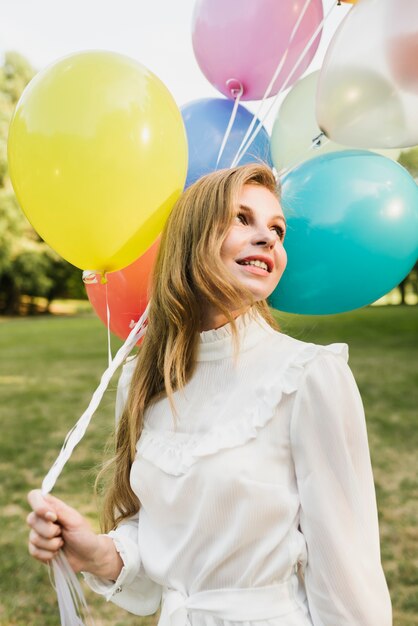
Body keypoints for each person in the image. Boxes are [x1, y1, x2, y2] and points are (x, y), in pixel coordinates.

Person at [27, 163, 392, 626]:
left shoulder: (309, 377)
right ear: (191, 236)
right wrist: (94, 551)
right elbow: (162, 539)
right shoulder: (143, 380)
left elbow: (347, 567)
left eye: (277, 230)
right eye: (243, 219)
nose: (269, 239)